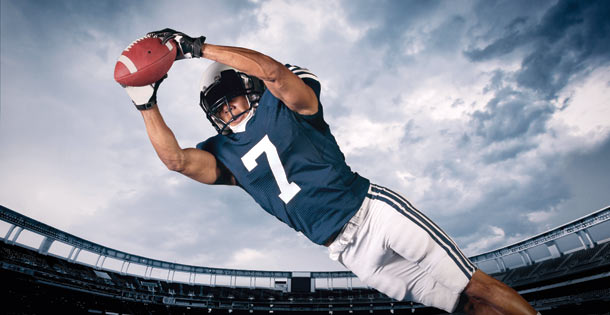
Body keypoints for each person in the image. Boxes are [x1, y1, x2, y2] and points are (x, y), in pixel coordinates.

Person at [121, 28, 539, 314]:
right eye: (217, 106)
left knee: (472, 282)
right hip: (344, 249)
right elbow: (176, 160)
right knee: (458, 304)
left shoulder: (283, 103)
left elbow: (271, 72)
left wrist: (195, 48)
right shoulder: (225, 154)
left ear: (247, 87)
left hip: (373, 213)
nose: (226, 109)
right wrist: (146, 102)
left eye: (230, 97)